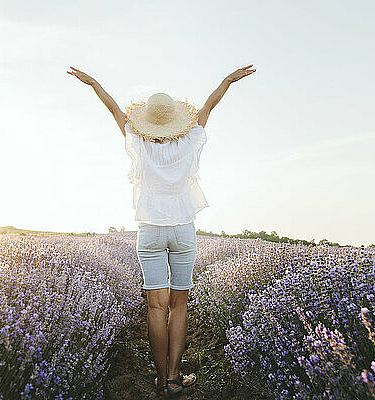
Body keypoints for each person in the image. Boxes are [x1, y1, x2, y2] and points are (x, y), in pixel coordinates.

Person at [67, 64, 256, 397]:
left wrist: (94, 83)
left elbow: (113, 108)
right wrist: (227, 80)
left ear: (147, 120)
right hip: (183, 229)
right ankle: (173, 377)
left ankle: (159, 378)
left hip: (150, 231)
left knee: (157, 306)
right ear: (175, 119)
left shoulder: (138, 142)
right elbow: (209, 106)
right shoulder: (190, 140)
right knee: (180, 305)